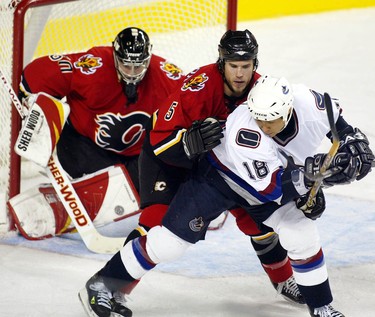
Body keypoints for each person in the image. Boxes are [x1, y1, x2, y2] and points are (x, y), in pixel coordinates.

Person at [80, 74, 374, 317]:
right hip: (217, 180)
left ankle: (322, 308)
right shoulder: (246, 133)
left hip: (267, 181)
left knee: (301, 233)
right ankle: (102, 284)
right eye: (259, 119)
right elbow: (272, 191)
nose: (263, 126)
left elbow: (337, 122)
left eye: (270, 120)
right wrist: (313, 179)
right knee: (169, 244)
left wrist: (352, 141)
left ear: (288, 108)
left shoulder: (306, 99)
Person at [78, 31, 307, 317]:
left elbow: (282, 140)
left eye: (246, 65)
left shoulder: (262, 93)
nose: (239, 73)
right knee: (157, 224)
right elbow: (160, 138)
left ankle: (283, 279)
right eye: (233, 65)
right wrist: (187, 142)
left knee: (261, 219)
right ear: (221, 63)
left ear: (255, 64)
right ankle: (109, 286)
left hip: (224, 167)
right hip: (170, 161)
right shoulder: (199, 88)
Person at [12, 27, 184, 239]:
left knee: (153, 183)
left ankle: (84, 196)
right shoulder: (93, 66)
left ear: (149, 59)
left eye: (138, 65)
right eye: (126, 65)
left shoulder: (168, 76)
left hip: (135, 156)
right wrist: (32, 100)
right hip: (82, 146)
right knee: (119, 186)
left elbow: (194, 105)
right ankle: (86, 191)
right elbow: (35, 74)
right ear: (114, 56)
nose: (132, 72)